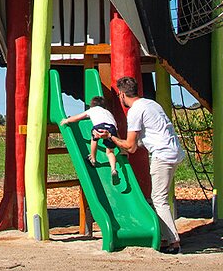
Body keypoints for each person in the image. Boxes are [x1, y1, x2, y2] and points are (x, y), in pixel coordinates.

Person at [108, 76, 185, 255]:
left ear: (121, 94)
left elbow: (129, 146)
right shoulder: (151, 104)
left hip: (163, 155)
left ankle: (174, 242)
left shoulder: (135, 111)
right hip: (173, 152)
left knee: (158, 199)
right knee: (160, 197)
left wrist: (111, 138)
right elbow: (139, 142)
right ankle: (166, 237)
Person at [59, 95, 119, 175]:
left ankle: (93, 159)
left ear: (92, 105)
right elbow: (117, 132)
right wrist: (122, 149)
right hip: (111, 129)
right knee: (110, 152)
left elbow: (78, 117)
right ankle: (113, 169)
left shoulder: (92, 110)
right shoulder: (109, 113)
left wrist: (67, 120)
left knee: (94, 139)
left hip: (99, 126)